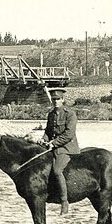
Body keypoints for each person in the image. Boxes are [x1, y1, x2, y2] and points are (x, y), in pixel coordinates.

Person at [41, 87, 80, 215]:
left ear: (63, 100)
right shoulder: (51, 114)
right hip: (54, 146)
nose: (55, 101)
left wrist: (54, 143)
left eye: (58, 99)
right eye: (53, 99)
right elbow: (48, 131)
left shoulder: (70, 114)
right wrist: (44, 140)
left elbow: (69, 134)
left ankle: (64, 202)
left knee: (57, 170)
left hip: (67, 147)